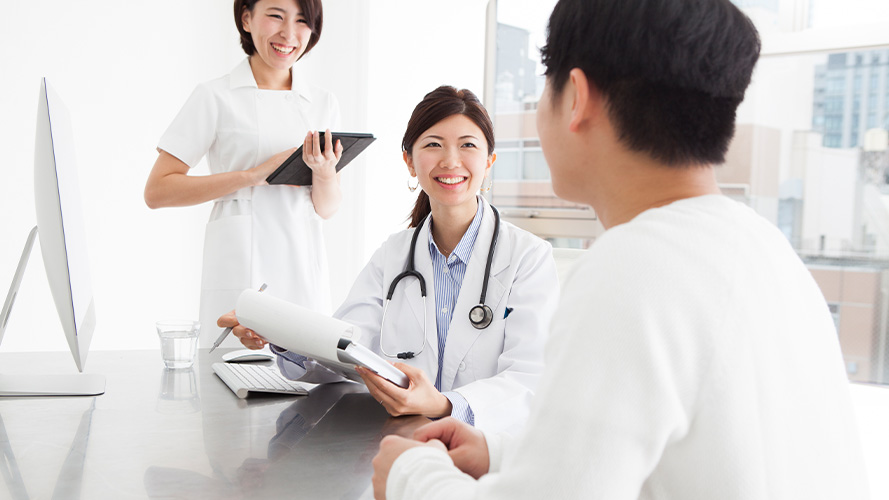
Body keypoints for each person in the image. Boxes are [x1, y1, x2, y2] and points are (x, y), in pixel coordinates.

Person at [371, 0, 869, 499]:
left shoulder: (631, 269)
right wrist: (498, 452)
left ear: (577, 98)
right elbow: (665, 451)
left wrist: (411, 475)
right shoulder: (762, 246)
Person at [221, 86, 560, 434]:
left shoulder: (527, 258)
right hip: (404, 444)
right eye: (433, 144)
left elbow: (530, 379)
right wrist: (280, 333)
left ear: (489, 160)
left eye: (468, 145)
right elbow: (346, 347)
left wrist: (444, 405)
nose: (450, 160)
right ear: (409, 161)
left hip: (490, 453)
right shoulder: (393, 255)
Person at [144, 0, 343, 347]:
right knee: (231, 381)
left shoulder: (323, 103)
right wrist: (252, 175)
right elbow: (157, 191)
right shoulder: (215, 96)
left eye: (301, 21)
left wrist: (324, 173)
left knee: (307, 379)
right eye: (275, 16)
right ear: (247, 18)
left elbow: (326, 208)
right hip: (238, 261)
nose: (289, 33)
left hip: (301, 261)